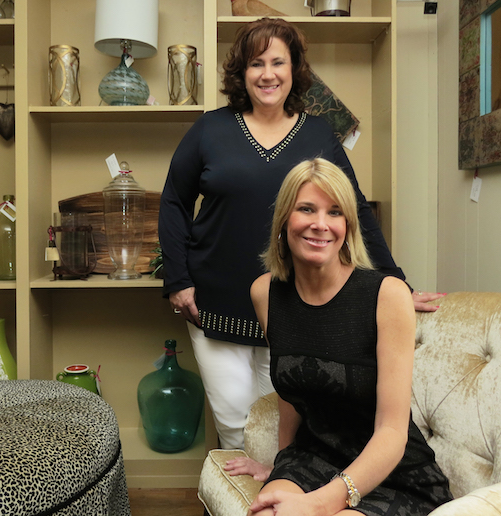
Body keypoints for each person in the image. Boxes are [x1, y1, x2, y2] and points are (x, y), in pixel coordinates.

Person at [158, 17, 443, 450]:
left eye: (278, 62)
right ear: (242, 72)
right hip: (216, 301)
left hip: (296, 304)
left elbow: (355, 209)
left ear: (294, 70)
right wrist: (178, 281)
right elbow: (174, 203)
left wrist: (395, 283)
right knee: (236, 424)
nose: (267, 74)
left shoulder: (317, 133)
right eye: (256, 63)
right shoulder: (208, 130)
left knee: (285, 426)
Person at [225, 158, 452, 516]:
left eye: (335, 212)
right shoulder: (265, 293)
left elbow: (392, 431)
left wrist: (319, 503)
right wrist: (281, 468)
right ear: (284, 219)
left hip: (388, 473)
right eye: (306, 209)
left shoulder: (387, 295)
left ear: (348, 225)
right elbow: (293, 389)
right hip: (311, 457)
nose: (320, 224)